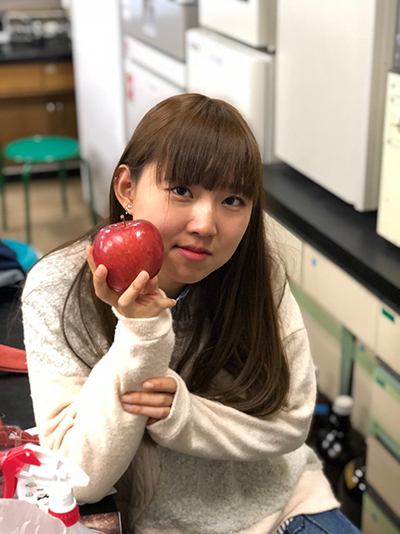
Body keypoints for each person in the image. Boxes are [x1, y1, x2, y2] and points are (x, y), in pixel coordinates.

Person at [22, 94, 360, 534]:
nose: (206, 224)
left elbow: (291, 423)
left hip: (285, 506)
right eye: (182, 191)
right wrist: (140, 333)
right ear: (127, 189)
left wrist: (183, 416)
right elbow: (77, 477)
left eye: (233, 200)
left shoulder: (255, 276)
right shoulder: (57, 287)